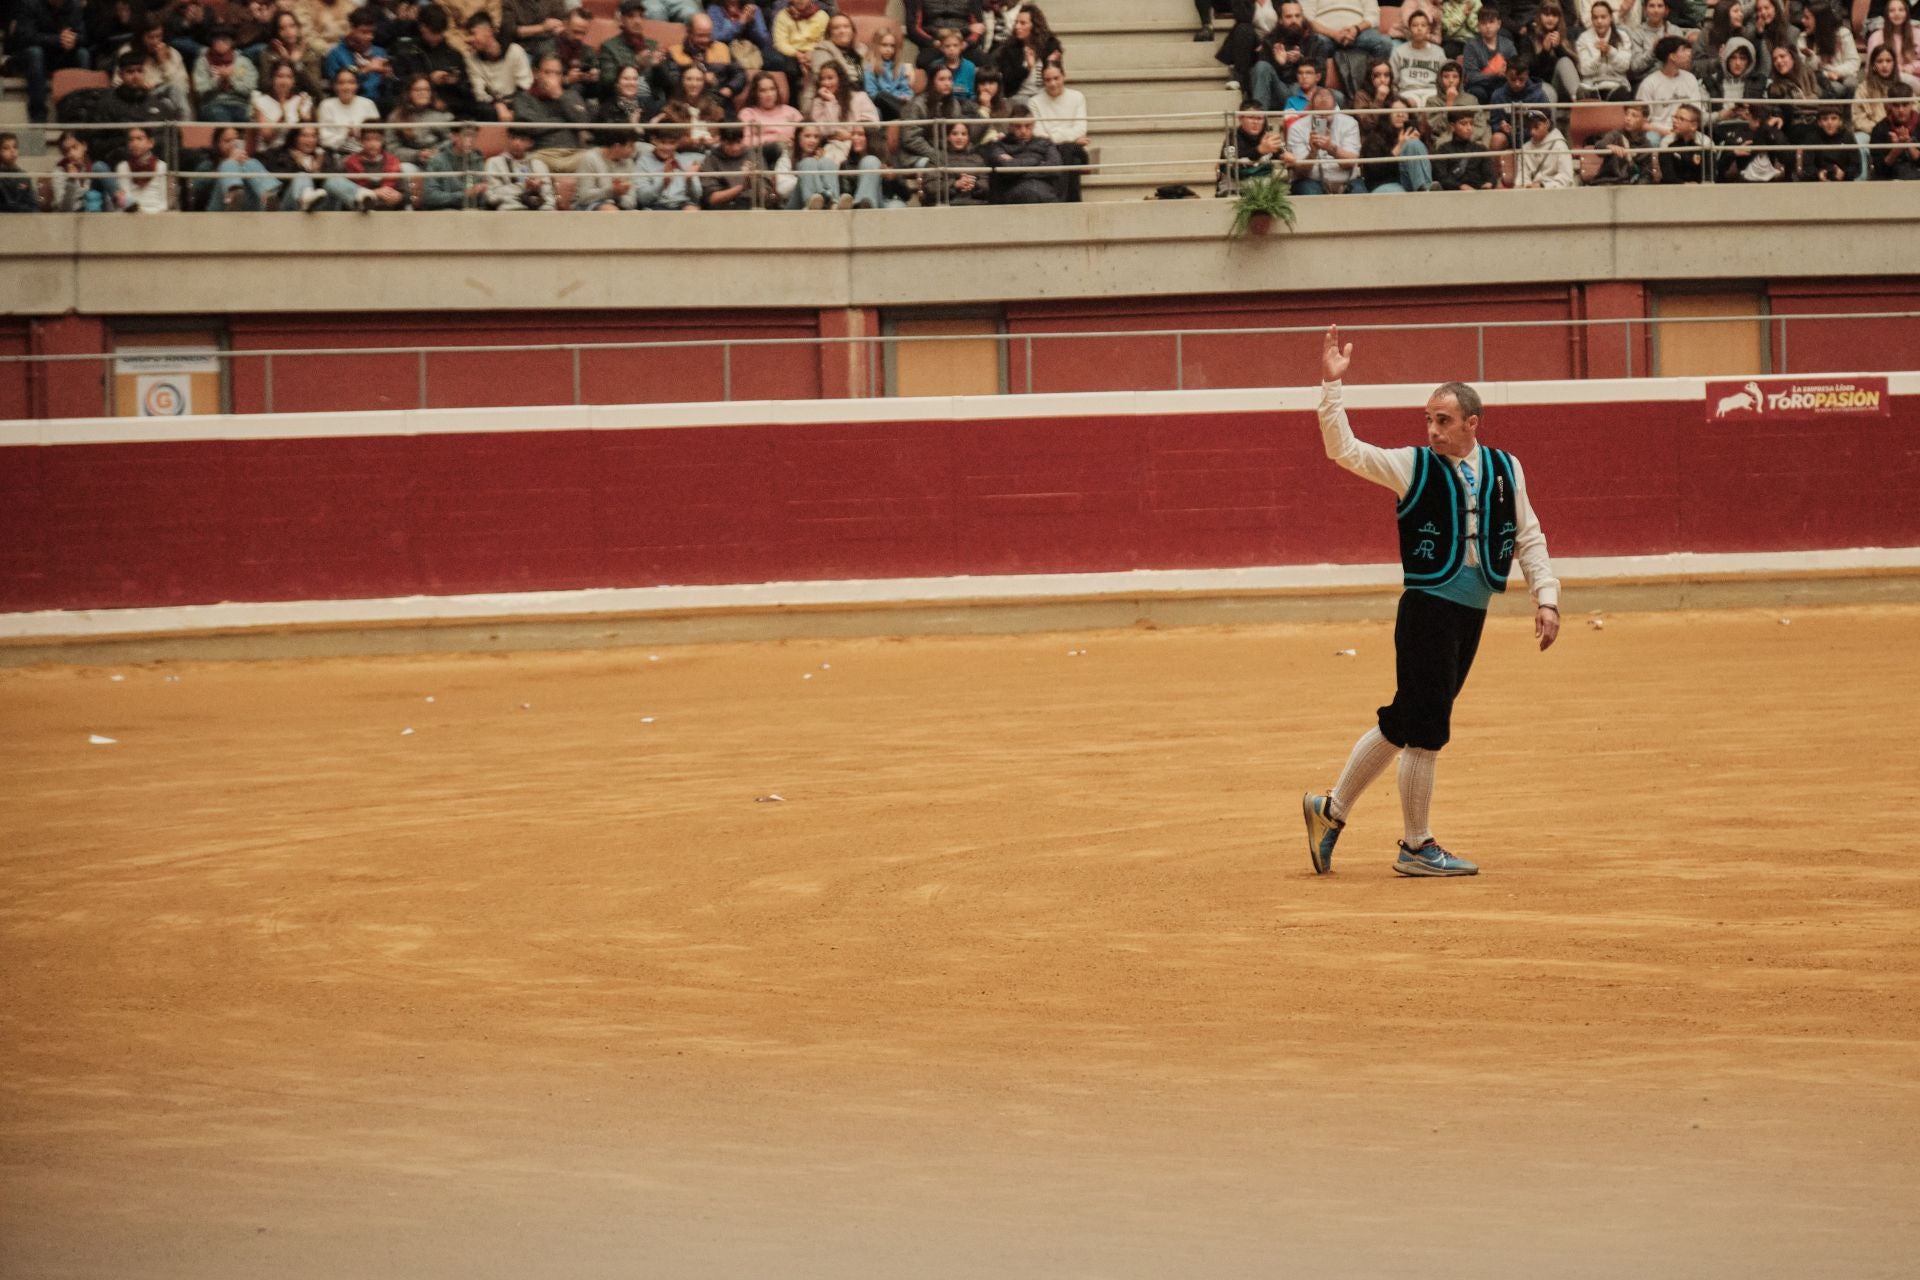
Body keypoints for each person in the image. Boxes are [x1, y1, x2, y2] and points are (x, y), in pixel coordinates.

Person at [1301, 324, 1560, 880]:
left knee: (1404, 721)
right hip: (1427, 609)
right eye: (1428, 420)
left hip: (1471, 611)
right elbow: (1341, 449)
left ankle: (1330, 811)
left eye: (1443, 421)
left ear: (1472, 424)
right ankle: (1416, 846)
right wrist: (1331, 386)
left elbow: (1526, 535)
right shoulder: (1411, 465)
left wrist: (1547, 597)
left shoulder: (1505, 468)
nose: (1432, 430)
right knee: (1428, 726)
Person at [17, 0, 93, 126]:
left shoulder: (74, 5)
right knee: (35, 53)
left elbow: (84, 36)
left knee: (83, 54)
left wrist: (74, 39)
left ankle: (82, 109)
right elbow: (25, 37)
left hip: (61, 54)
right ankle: (38, 112)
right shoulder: (29, 4)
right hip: (34, 55)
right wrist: (57, 39)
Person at [1249, 1, 1334, 111]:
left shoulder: (1316, 42)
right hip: (1279, 93)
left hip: (1306, 93)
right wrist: (1281, 64)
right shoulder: (1270, 42)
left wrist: (1301, 60)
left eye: (1297, 16)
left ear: (1302, 18)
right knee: (1261, 66)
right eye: (1288, 17)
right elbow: (1261, 78)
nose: (1294, 20)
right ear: (1280, 20)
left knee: (1337, 97)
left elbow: (1321, 77)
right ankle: (1259, 118)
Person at [1306, 0, 1394, 96]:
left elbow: (1373, 16)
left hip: (1359, 32)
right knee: (1314, 43)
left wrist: (1355, 29)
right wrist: (1333, 34)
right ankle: (1317, 94)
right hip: (1325, 34)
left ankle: (1373, 91)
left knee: (1385, 43)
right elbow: (1307, 19)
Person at [1027, 61, 1088, 199]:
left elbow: (1080, 128)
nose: (1053, 83)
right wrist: (1069, 137)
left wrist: (1054, 136)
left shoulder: (1077, 97)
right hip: (1051, 150)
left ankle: (1060, 200)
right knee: (1072, 160)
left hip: (1073, 149)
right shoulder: (1034, 101)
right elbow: (1038, 134)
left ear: (1064, 77)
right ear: (1043, 81)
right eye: (1048, 80)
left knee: (1067, 150)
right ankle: (1072, 202)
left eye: (1056, 78)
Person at [1285, 85, 1364, 190]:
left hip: (1347, 180)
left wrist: (1331, 148)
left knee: (1359, 192)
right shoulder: (1297, 127)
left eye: (1327, 114)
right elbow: (1300, 172)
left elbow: (1350, 163)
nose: (1324, 119)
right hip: (1311, 181)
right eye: (1319, 115)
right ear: (1311, 108)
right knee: (1306, 188)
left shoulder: (1350, 123)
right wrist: (1312, 153)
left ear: (1335, 108)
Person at [985, 103, 1065, 200]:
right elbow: (1007, 168)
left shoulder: (1046, 143)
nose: (1023, 131)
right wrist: (1035, 161)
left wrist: (1017, 165)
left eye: (1028, 126)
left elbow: (1055, 168)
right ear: (1010, 126)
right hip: (1014, 191)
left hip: (1045, 191)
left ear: (1034, 125)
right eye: (1018, 126)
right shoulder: (999, 145)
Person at [466, 12, 534, 121]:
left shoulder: (515, 51)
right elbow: (480, 93)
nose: (468, 40)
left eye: (472, 33)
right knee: (482, 109)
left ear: (488, 31)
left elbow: (525, 86)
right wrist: (499, 105)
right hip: (492, 106)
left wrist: (513, 109)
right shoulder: (471, 59)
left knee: (525, 110)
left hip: (517, 102)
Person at [1360, 92, 1437, 187]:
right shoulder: (1374, 139)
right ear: (1387, 115)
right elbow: (1375, 172)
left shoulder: (1418, 134)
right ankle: (1425, 192)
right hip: (1386, 183)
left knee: (1414, 145)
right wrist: (1399, 146)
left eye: (1404, 111)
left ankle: (1425, 190)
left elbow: (1433, 166)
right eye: (1395, 111)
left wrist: (1419, 146)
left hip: (1411, 182)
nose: (1400, 114)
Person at [1635, 32, 1704, 133]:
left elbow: (1696, 111)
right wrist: (1666, 133)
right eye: (1683, 50)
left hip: (1686, 132)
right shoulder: (1649, 83)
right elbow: (1642, 122)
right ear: (1672, 56)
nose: (1689, 53)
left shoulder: (1690, 78)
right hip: (1658, 132)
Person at [993, 3, 1062, 102]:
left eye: (1023, 23)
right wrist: (1026, 68)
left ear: (1034, 26)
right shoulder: (1009, 49)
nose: (1017, 26)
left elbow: (1057, 79)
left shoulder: (1050, 46)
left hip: (1045, 96)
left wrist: (1050, 64)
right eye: (1016, 22)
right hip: (1020, 97)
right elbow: (1008, 86)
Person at [322, 6, 393, 100]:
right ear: (351, 28)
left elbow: (388, 88)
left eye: (372, 32)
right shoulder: (335, 55)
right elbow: (338, 88)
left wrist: (388, 77)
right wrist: (367, 69)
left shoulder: (379, 52)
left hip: (380, 104)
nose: (370, 37)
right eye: (364, 32)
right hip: (351, 103)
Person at [1219, 99, 1285, 193]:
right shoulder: (1232, 139)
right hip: (1235, 189)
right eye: (1251, 118)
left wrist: (1286, 156)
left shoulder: (1269, 137)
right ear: (1240, 118)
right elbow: (1231, 170)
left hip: (1263, 189)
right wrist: (1259, 151)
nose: (1256, 122)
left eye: (1259, 119)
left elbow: (1285, 153)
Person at [483, 126, 558, 206]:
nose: (516, 143)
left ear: (530, 143)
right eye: (513, 138)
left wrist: (537, 189)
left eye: (522, 139)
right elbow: (492, 197)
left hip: (539, 213)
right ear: (507, 139)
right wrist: (524, 186)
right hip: (509, 213)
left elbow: (549, 199)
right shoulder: (494, 162)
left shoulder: (539, 164)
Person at [419, 122, 490, 207]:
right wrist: (464, 195)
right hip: (445, 213)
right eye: (467, 135)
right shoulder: (437, 161)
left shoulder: (477, 159)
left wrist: (483, 192)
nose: (471, 140)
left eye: (474, 136)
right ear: (453, 136)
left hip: (474, 212)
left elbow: (482, 197)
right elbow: (430, 197)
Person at [253, 58, 317, 152]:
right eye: (280, 76)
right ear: (272, 78)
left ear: (293, 80)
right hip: (270, 152)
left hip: (295, 152)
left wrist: (300, 114)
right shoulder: (261, 101)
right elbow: (267, 138)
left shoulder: (303, 99)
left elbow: (308, 133)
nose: (284, 81)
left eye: (288, 77)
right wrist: (282, 117)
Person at [633, 123, 704, 207]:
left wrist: (689, 180)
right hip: (656, 206)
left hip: (683, 205)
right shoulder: (643, 162)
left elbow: (696, 198)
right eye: (663, 142)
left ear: (678, 143)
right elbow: (643, 199)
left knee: (692, 210)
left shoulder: (686, 161)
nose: (667, 147)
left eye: (672, 143)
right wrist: (663, 183)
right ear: (654, 140)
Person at [1577, 1, 1636, 100]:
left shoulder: (1622, 36)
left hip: (1617, 85)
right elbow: (1584, 70)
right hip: (1592, 86)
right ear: (1591, 19)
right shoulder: (1584, 38)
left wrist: (1610, 52)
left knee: (1620, 95)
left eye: (1603, 17)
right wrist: (1600, 57)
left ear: (1611, 18)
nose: (1599, 21)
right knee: (1582, 93)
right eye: (1595, 17)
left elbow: (1625, 66)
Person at [318, 66, 381, 157]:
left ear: (357, 85)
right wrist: (345, 135)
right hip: (336, 154)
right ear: (335, 86)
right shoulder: (326, 105)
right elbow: (324, 139)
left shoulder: (368, 104)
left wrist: (359, 134)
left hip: (366, 154)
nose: (346, 87)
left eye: (351, 82)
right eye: (341, 83)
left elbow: (376, 135)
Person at [1589, 98, 1659, 179]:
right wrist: (1608, 147)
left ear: (1644, 120)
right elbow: (1598, 146)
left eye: (1634, 115)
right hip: (1608, 182)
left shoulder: (1646, 145)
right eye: (1626, 114)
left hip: (1631, 187)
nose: (1628, 118)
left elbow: (1647, 175)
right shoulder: (1615, 134)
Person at [1799, 3, 1857, 98]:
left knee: (1851, 84)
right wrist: (1810, 57)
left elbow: (1853, 62)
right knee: (1837, 88)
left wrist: (1837, 73)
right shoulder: (1803, 38)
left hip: (1843, 74)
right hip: (1821, 78)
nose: (1802, 21)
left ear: (1819, 20)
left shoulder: (1843, 34)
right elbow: (1807, 71)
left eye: (1807, 18)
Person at [343, 122, 408, 206]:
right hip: (359, 213)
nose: (372, 144)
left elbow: (406, 195)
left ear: (383, 141)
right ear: (361, 141)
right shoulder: (350, 163)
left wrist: (399, 197)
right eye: (368, 139)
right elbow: (347, 196)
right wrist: (374, 193)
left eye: (377, 139)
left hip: (389, 212)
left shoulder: (393, 162)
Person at [926, 118, 991, 202]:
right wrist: (955, 184)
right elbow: (931, 187)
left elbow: (987, 186)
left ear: (968, 137)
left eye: (964, 134)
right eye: (954, 133)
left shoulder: (978, 159)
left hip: (975, 205)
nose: (959, 137)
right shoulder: (937, 158)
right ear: (948, 136)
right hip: (947, 205)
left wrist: (974, 185)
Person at [907, 0, 987, 68]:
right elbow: (913, 28)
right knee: (923, 61)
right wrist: (933, 43)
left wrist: (966, 44)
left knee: (985, 63)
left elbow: (978, 28)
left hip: (964, 45)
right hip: (934, 45)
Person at [1393, 10, 1451, 103]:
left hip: (1432, 92)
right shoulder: (1399, 51)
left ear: (1428, 29)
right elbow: (1393, 80)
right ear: (1409, 29)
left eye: (1423, 25)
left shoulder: (1439, 52)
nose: (1419, 28)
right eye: (1415, 25)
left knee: (1430, 103)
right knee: (1409, 103)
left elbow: (1445, 78)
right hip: (1407, 92)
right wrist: (1396, 97)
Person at [1431, 105, 1500, 184]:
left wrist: (1489, 183)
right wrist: (1459, 187)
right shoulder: (1443, 150)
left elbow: (1491, 176)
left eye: (1471, 124)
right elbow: (1442, 177)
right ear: (1452, 127)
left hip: (1479, 193)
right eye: (1464, 124)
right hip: (1454, 194)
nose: (1469, 128)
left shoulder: (1480, 149)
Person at [574, 126, 641, 207]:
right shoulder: (590, 158)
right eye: (631, 146)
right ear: (617, 147)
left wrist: (619, 196)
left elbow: (631, 202)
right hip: (590, 205)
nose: (634, 150)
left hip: (619, 206)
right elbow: (584, 197)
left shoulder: (629, 162)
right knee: (609, 209)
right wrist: (612, 191)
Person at [1460, 4, 1516, 100]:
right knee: (1478, 92)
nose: (1488, 26)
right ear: (1478, 26)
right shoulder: (1471, 45)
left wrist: (1506, 72)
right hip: (1479, 87)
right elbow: (1471, 76)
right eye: (1483, 23)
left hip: (1502, 84)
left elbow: (1516, 68)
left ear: (1498, 24)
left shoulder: (1507, 44)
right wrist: (1495, 74)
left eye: (1491, 22)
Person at [1854, 44, 1910, 135]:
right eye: (1879, 61)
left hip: (1903, 131)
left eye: (1888, 61)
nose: (1884, 65)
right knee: (1859, 138)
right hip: (1873, 133)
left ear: (1894, 63)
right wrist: (1880, 130)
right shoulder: (1863, 88)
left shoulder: (1904, 85)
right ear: (1874, 65)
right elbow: (1858, 118)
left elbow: (1914, 110)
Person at [113, 124, 171, 212]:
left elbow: (164, 200)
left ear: (150, 143)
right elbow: (125, 198)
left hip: (156, 215)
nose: (135, 143)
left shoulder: (161, 166)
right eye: (131, 140)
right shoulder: (123, 167)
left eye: (139, 139)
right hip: (131, 215)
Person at [1869, 85, 1920, 178]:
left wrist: (1908, 144)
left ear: (1911, 104)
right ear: (1889, 105)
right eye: (1896, 105)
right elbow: (1879, 169)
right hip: (1889, 183)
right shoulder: (1880, 129)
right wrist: (1896, 151)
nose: (1901, 110)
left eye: (1905, 105)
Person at [865, 27, 916, 119]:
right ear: (876, 46)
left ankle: (907, 114)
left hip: (898, 106)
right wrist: (895, 97)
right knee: (881, 95)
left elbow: (907, 90)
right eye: (884, 45)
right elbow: (871, 93)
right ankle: (909, 116)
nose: (889, 49)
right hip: (881, 106)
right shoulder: (869, 67)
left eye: (892, 46)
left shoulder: (901, 67)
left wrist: (905, 96)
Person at [1515, 103, 1575, 181]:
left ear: (1547, 124)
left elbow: (1566, 177)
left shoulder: (1559, 146)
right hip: (1531, 191)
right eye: (1530, 127)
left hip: (1555, 191)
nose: (1532, 132)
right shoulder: (1525, 148)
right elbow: (1521, 177)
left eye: (1536, 127)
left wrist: (1543, 186)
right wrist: (1527, 186)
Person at [1866, 0, 1919, 84]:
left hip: (1914, 80)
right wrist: (1890, 68)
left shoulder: (1918, 34)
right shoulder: (1876, 37)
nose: (1897, 14)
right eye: (1892, 11)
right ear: (1886, 14)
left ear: (1907, 13)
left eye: (1901, 10)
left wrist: (1910, 68)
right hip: (1885, 80)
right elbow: (1871, 68)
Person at [1802, 100, 1859, 179]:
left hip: (1844, 184)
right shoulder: (1812, 138)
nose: (1829, 122)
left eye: (1834, 118)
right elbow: (1807, 166)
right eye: (1825, 119)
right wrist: (1818, 174)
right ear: (1819, 122)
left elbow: (1856, 165)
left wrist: (1844, 173)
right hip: (1816, 185)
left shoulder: (1847, 137)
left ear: (1840, 121)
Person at [1657, 100, 1708, 179]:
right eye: (1675, 117)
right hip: (1674, 189)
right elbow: (1667, 176)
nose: (1675, 121)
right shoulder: (1666, 142)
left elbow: (1709, 175)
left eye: (1681, 119)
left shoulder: (1706, 143)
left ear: (1693, 126)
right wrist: (1684, 185)